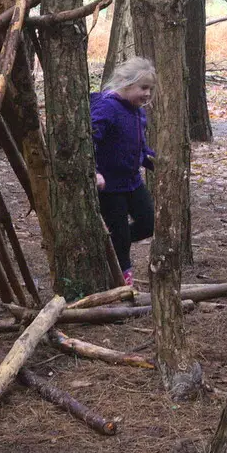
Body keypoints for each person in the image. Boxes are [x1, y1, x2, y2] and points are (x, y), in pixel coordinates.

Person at [91, 57, 157, 287]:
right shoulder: (107, 107)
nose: (147, 94)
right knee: (118, 233)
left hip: (132, 181)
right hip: (109, 186)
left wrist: (151, 160)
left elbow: (136, 143)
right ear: (125, 83)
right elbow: (89, 140)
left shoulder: (137, 111)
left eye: (150, 88)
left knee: (149, 222)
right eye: (143, 88)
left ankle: (105, 246)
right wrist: (94, 172)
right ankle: (122, 281)